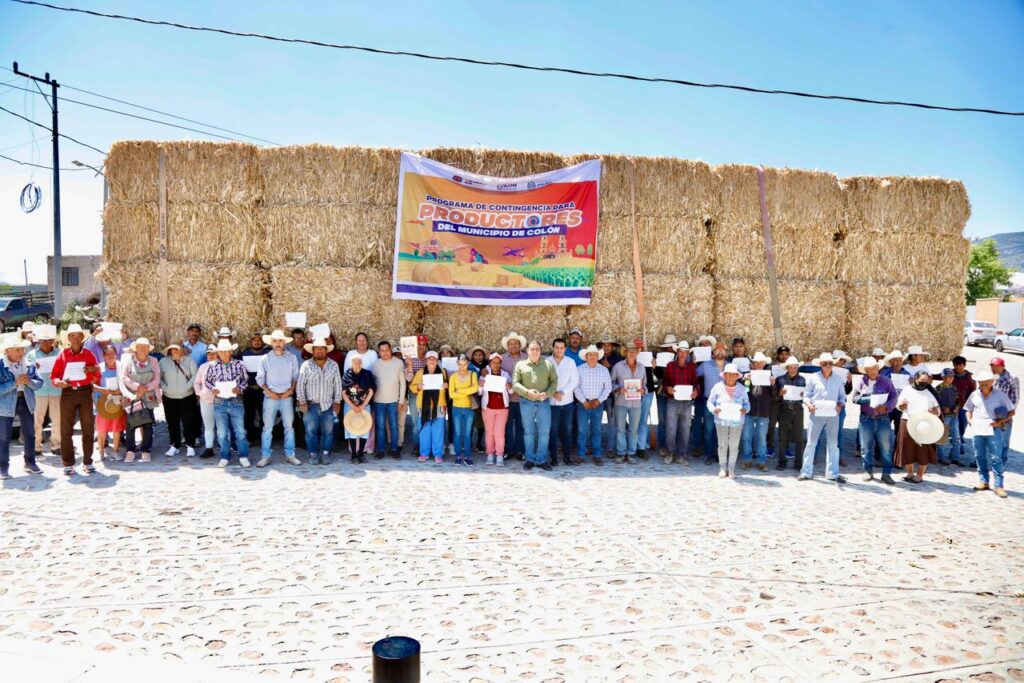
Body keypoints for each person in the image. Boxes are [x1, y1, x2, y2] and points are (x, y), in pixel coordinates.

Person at [50, 324, 102, 475]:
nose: (75, 338)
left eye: (78, 336)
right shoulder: (63, 355)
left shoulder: (89, 354)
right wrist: (58, 382)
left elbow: (97, 373)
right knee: (66, 430)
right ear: (68, 338)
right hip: (68, 393)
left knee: (88, 428)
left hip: (85, 392)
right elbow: (54, 375)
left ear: (82, 337)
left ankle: (87, 461)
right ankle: (68, 463)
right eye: (72, 336)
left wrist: (93, 370)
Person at [965, 370, 1014, 499]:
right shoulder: (974, 395)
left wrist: (1000, 422)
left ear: (992, 382)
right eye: (981, 382)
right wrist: (970, 421)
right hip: (978, 429)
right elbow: (968, 409)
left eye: (986, 382)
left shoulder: (1000, 395)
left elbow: (1012, 412)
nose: (983, 384)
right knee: (979, 455)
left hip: (993, 430)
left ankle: (999, 485)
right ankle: (984, 481)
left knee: (996, 458)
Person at [0, 333, 43, 478]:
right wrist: (14, 383)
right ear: (8, 351)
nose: (21, 352)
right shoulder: (0, 365)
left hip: (26, 401)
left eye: (22, 349)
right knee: (3, 438)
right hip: (6, 405)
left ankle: (30, 463)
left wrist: (29, 382)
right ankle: (3, 467)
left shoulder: (29, 363)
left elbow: (39, 383)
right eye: (17, 350)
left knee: (30, 434)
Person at [798, 353, 846, 483]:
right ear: (820, 365)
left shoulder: (838, 379)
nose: (828, 366)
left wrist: (840, 406)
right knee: (810, 443)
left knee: (833, 445)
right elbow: (806, 395)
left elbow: (842, 397)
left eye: (830, 363)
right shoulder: (813, 378)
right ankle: (806, 472)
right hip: (816, 414)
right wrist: (809, 405)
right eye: (825, 364)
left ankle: (832, 474)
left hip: (832, 416)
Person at [850, 357, 898, 484]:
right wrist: (868, 399)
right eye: (869, 369)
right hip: (866, 418)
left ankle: (886, 473)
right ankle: (867, 470)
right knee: (865, 447)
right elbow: (854, 398)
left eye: (874, 368)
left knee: (886, 447)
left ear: (878, 368)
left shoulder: (886, 381)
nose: (872, 371)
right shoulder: (861, 382)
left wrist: (886, 406)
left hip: (883, 418)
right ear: (866, 370)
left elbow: (894, 397)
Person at [256, 330, 300, 467]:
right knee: (267, 428)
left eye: (280, 341)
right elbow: (260, 378)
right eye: (275, 341)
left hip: (286, 397)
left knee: (289, 428)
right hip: (270, 397)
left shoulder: (291, 357)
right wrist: (268, 392)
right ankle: (265, 456)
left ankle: (290, 454)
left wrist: (291, 391)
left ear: (284, 342)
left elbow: (295, 377)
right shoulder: (265, 359)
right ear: (271, 343)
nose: (278, 344)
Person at [512, 340, 558, 471]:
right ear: (527, 351)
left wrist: (548, 393)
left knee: (544, 432)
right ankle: (530, 459)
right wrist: (527, 392)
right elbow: (515, 383)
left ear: (540, 350)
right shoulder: (520, 365)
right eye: (532, 349)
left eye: (537, 349)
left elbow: (554, 381)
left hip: (543, 402)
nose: (534, 351)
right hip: (526, 402)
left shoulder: (548, 364)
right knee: (528, 432)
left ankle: (542, 459)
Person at [204, 338, 250, 469]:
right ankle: (225, 456)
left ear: (231, 351)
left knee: (240, 431)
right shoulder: (212, 366)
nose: (224, 354)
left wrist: (239, 389)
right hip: (220, 402)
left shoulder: (239, 364)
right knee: (222, 432)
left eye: (226, 351)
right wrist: (213, 389)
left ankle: (243, 455)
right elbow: (207, 381)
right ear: (218, 353)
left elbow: (246, 381)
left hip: (236, 401)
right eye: (221, 352)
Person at [296, 336, 343, 465]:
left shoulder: (333, 365)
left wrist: (338, 401)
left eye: (322, 349)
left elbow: (338, 385)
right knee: (310, 432)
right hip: (311, 405)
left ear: (326, 350)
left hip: (328, 405)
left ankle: (326, 453)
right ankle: (313, 453)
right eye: (316, 349)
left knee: (328, 431)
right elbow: (300, 385)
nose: (319, 351)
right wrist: (302, 401)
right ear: (313, 351)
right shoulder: (306, 365)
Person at [118, 338, 161, 465]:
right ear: (135, 348)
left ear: (149, 349)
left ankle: (146, 450)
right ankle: (130, 450)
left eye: (146, 347)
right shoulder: (128, 360)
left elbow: (157, 378)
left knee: (147, 423)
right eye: (140, 346)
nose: (143, 349)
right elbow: (124, 377)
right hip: (133, 395)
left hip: (148, 396)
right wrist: (137, 387)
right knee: (131, 423)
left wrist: (146, 388)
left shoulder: (153, 361)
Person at [894, 369, 941, 483]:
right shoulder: (907, 389)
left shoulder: (931, 391)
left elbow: (938, 410)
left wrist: (936, 411)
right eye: (921, 380)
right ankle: (909, 473)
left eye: (926, 380)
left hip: (924, 424)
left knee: (923, 449)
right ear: (915, 379)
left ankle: (920, 474)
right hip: (907, 420)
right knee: (906, 447)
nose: (923, 382)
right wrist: (902, 406)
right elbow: (898, 405)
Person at [706, 363, 749, 478]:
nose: (730, 377)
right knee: (722, 444)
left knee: (734, 445)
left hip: (736, 421)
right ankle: (722, 468)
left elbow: (747, 403)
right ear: (724, 375)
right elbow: (710, 401)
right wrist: (713, 409)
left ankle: (731, 469)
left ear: (737, 376)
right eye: (728, 374)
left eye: (733, 375)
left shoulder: (742, 388)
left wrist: (745, 409)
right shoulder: (717, 387)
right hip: (721, 421)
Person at [159, 343, 199, 458]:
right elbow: (159, 378)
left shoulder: (189, 360)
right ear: (169, 350)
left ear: (181, 350)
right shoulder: (163, 362)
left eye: (177, 349)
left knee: (188, 421)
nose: (175, 351)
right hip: (169, 397)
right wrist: (165, 388)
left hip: (187, 396)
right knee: (172, 422)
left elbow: (195, 376)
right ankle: (175, 445)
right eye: (173, 349)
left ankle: (190, 445)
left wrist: (186, 387)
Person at [27, 325, 61, 458]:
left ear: (53, 341)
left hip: (56, 390)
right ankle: (36, 446)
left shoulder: (59, 353)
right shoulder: (31, 355)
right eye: (43, 340)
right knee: (37, 421)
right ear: (38, 341)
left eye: (48, 340)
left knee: (57, 420)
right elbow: (28, 373)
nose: (46, 343)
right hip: (38, 392)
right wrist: (33, 369)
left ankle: (56, 444)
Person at [573, 344, 611, 465]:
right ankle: (580, 454)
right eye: (590, 355)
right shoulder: (579, 369)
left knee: (596, 430)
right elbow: (575, 387)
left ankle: (597, 454)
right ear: (586, 356)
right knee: (581, 430)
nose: (592, 357)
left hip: (597, 404)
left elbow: (608, 388)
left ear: (597, 357)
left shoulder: (603, 370)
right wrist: (584, 401)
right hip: (583, 405)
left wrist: (599, 400)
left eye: (595, 355)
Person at [661, 341, 697, 465]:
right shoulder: (670, 366)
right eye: (681, 352)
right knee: (671, 428)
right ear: (677, 352)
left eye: (685, 352)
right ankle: (670, 452)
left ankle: (681, 454)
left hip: (687, 402)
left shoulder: (692, 367)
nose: (683, 354)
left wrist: (696, 391)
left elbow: (695, 383)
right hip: (673, 400)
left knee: (685, 429)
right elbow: (664, 382)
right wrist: (668, 389)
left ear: (688, 354)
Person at [610, 342, 647, 464]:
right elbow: (611, 383)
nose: (631, 353)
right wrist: (618, 389)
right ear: (625, 352)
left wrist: (643, 390)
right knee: (620, 429)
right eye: (629, 351)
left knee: (634, 429)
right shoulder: (617, 367)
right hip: (621, 402)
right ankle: (621, 453)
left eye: (634, 351)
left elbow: (645, 385)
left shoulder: (642, 367)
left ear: (637, 353)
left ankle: (631, 453)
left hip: (636, 404)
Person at [411, 350, 447, 463]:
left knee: (438, 430)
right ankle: (424, 453)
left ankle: (438, 454)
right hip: (423, 405)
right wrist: (418, 386)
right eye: (429, 359)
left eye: (434, 359)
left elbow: (447, 386)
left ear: (437, 361)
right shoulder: (420, 373)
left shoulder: (442, 372)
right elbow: (412, 387)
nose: (431, 361)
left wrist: (446, 385)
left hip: (439, 405)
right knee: (425, 430)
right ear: (426, 361)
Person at [548, 338, 579, 466]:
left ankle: (567, 457)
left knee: (567, 429)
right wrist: (553, 392)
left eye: (561, 348)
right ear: (553, 348)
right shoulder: (547, 362)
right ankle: (553, 458)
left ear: (565, 349)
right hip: (551, 402)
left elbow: (575, 380)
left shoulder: (570, 362)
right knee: (553, 430)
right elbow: (544, 380)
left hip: (567, 402)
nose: (559, 350)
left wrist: (563, 392)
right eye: (556, 347)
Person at [372, 341, 406, 459]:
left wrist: (400, 401)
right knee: (380, 426)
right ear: (379, 352)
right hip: (378, 401)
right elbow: (373, 383)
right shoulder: (375, 364)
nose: (385, 353)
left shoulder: (398, 363)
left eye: (387, 350)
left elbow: (403, 383)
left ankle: (394, 449)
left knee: (394, 425)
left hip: (393, 401)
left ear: (390, 349)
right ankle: (381, 450)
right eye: (382, 351)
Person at [740, 352, 773, 471]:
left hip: (763, 411)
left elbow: (774, 396)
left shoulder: (770, 376)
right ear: (753, 364)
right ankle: (747, 460)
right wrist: (745, 380)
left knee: (761, 438)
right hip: (749, 410)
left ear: (764, 364)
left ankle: (761, 461)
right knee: (746, 436)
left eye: (761, 362)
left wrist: (773, 384)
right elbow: (743, 392)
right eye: (756, 362)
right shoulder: (747, 375)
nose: (758, 364)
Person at [479, 352, 512, 466]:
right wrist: (480, 385)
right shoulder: (484, 374)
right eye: (494, 362)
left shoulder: (505, 375)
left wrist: (509, 386)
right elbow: (479, 392)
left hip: (502, 408)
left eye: (498, 363)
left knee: (499, 433)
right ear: (490, 363)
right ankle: (490, 454)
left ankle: (499, 455)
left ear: (500, 363)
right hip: (488, 407)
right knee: (489, 432)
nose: (496, 365)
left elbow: (511, 391)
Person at [342, 353, 376, 464]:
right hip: (350, 406)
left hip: (364, 406)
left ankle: (361, 454)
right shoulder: (347, 375)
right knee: (351, 429)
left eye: (359, 362)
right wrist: (353, 406)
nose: (357, 364)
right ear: (351, 364)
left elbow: (371, 391)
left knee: (364, 429)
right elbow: (343, 393)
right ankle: (353, 455)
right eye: (355, 362)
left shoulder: (367, 374)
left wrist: (363, 405)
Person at [696, 343, 727, 463]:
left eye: (722, 350)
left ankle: (720, 454)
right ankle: (709, 454)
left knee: (722, 430)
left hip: (725, 403)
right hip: (709, 402)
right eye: (717, 350)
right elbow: (693, 374)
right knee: (709, 430)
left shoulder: (730, 366)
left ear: (726, 352)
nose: (720, 352)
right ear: (713, 352)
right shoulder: (705, 365)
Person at [93, 345, 125, 460]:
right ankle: (101, 452)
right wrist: (103, 390)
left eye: (113, 354)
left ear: (116, 355)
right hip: (102, 404)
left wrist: (119, 390)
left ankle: (115, 451)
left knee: (117, 428)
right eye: (108, 354)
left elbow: (126, 382)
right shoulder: (99, 368)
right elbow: (92, 385)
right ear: (104, 356)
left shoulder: (121, 367)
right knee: (102, 429)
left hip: (116, 403)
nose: (110, 356)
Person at [774, 356, 806, 470]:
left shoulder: (803, 380)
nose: (793, 369)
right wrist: (780, 393)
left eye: (795, 367)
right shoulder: (780, 379)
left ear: (798, 368)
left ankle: (798, 463)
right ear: (787, 368)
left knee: (799, 438)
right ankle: (782, 461)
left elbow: (807, 396)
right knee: (783, 437)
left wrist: (804, 396)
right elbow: (775, 396)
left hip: (798, 409)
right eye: (791, 367)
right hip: (785, 408)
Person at [500, 332, 528, 460]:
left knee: (521, 426)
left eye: (515, 343)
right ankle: (509, 450)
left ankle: (520, 451)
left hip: (523, 398)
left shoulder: (527, 358)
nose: (513, 346)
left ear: (520, 345)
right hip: (507, 399)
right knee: (508, 426)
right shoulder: (501, 359)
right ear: (507, 346)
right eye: (510, 344)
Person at [240, 332, 271, 444]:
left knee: (265, 415)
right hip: (249, 389)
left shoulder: (268, 353)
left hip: (265, 390)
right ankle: (250, 438)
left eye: (259, 340)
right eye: (254, 340)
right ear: (250, 342)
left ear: (262, 342)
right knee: (249, 415)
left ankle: (265, 438)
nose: (257, 342)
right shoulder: (244, 354)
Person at [448, 355, 478, 465]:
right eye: (460, 364)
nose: (462, 367)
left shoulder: (472, 374)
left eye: (464, 364)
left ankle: (468, 455)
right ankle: (457, 456)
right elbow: (451, 394)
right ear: (457, 364)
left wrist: (459, 391)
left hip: (469, 408)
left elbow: (474, 388)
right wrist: (466, 391)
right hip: (456, 408)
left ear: (468, 364)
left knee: (467, 433)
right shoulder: (453, 377)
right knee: (457, 433)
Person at [691, 335, 716, 458]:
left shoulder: (715, 359)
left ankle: (712, 447)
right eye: (702, 344)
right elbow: (692, 374)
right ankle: (696, 445)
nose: (704, 345)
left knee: (711, 421)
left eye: (707, 344)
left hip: (711, 393)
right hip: (699, 391)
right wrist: (694, 363)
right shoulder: (695, 359)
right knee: (697, 418)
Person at [990, 357, 1018, 465]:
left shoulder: (1012, 378)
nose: (994, 368)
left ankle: (1001, 462)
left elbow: (1015, 399)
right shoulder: (991, 377)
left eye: (997, 366)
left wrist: (1007, 415)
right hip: (990, 413)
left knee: (1003, 441)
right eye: (992, 366)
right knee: (986, 438)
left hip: (1004, 414)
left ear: (1003, 366)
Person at [193, 345, 219, 458]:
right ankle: (209, 448)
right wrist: (200, 393)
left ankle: (225, 448)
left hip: (220, 401)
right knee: (208, 426)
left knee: (223, 426)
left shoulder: (222, 366)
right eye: (209, 353)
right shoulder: (202, 367)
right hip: (206, 401)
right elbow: (196, 383)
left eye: (213, 353)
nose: (211, 355)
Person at [654, 334, 679, 452]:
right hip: (662, 391)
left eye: (671, 347)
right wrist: (655, 367)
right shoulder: (659, 357)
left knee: (675, 419)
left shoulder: (680, 358)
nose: (669, 349)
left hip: (676, 392)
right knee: (663, 419)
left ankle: (673, 445)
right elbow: (658, 376)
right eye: (667, 347)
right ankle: (663, 446)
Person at [634, 337, 658, 459]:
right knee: (634, 420)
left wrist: (655, 366)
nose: (639, 349)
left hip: (648, 391)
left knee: (643, 420)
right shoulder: (630, 358)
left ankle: (641, 447)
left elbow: (659, 375)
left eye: (640, 347)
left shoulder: (649, 357)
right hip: (634, 391)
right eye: (636, 347)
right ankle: (633, 446)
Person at [949, 356, 976, 465]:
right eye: (956, 365)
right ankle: (957, 447)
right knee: (953, 429)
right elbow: (940, 376)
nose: (958, 367)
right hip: (951, 407)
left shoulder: (970, 377)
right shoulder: (950, 374)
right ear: (953, 365)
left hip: (964, 407)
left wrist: (970, 406)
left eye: (961, 365)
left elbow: (973, 392)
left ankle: (960, 445)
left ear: (964, 365)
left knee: (962, 427)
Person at [404, 335, 429, 449]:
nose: (421, 347)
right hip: (414, 394)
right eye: (419, 345)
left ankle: (426, 445)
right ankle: (416, 446)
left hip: (427, 393)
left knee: (427, 420)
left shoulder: (429, 359)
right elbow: (409, 379)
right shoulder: (411, 360)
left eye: (424, 345)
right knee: (415, 422)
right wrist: (409, 365)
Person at [767, 345, 791, 458]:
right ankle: (770, 447)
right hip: (773, 400)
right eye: (782, 354)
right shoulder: (771, 367)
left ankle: (785, 448)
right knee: (771, 425)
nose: (784, 356)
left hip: (786, 401)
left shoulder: (792, 366)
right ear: (778, 355)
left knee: (785, 426)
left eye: (786, 354)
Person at [935, 369, 962, 466]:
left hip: (954, 415)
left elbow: (957, 399)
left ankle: (956, 458)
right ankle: (940, 458)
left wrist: (957, 407)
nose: (951, 378)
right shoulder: (938, 388)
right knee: (942, 436)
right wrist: (942, 409)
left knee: (956, 437)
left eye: (952, 376)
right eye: (948, 376)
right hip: (944, 416)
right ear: (943, 377)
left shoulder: (954, 387)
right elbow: (935, 402)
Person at [468, 345, 487, 452]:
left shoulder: (487, 367)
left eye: (480, 355)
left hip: (483, 397)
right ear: (472, 356)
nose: (478, 357)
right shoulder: (469, 367)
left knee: (481, 423)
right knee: (471, 421)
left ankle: (479, 443)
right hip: (472, 397)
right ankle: (469, 442)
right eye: (476, 355)